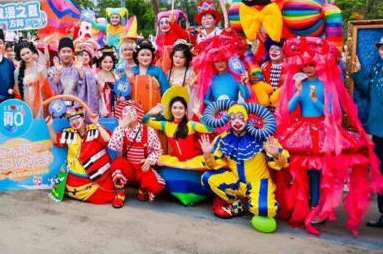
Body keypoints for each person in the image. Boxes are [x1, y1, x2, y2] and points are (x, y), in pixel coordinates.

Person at [276, 37, 383, 235]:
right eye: (305, 65)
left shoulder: (326, 85)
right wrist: (298, 94)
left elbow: (330, 112)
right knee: (303, 172)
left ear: (318, 66)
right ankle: (310, 203)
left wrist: (316, 99)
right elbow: (289, 109)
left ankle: (317, 206)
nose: (308, 69)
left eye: (311, 65)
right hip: (302, 130)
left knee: (318, 172)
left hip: (321, 130)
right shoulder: (300, 84)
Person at [200, 101, 288, 233]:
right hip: (236, 182)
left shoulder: (261, 138)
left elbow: (282, 164)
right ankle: (237, 204)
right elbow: (214, 165)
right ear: (228, 120)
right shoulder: (223, 138)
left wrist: (276, 155)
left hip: (258, 183)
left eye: (241, 118)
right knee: (207, 178)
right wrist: (207, 155)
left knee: (264, 210)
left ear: (247, 119)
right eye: (233, 118)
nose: (237, 121)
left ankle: (261, 201)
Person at [46, 104, 126, 207]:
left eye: (76, 118)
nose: (74, 122)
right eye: (71, 120)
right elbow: (56, 140)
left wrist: (96, 123)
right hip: (74, 177)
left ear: (83, 117)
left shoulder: (94, 129)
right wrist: (50, 125)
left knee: (107, 192)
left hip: (95, 176)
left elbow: (107, 139)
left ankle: (119, 193)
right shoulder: (68, 133)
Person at [144, 87, 212, 205]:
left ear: (185, 110)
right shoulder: (166, 125)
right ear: (171, 110)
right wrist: (150, 113)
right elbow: (144, 122)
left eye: (181, 108)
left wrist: (198, 114)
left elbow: (210, 129)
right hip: (177, 161)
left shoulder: (191, 125)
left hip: (194, 161)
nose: (177, 110)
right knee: (159, 168)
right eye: (174, 107)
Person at [352, 35, 383, 228]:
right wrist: (358, 73)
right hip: (379, 129)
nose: (382, 52)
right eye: (381, 48)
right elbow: (369, 89)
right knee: (380, 171)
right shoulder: (378, 68)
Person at [107, 101, 165, 204]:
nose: (129, 113)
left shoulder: (149, 131)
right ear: (121, 115)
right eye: (125, 111)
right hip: (127, 169)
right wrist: (121, 127)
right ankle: (119, 193)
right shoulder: (120, 130)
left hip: (142, 169)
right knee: (117, 163)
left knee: (157, 186)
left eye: (132, 110)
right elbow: (113, 149)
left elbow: (158, 150)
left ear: (138, 114)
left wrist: (149, 160)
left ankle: (142, 188)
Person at [193, 35, 251, 116]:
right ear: (212, 63)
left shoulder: (235, 77)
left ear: (228, 60)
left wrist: (244, 84)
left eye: (223, 60)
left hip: (234, 115)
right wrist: (217, 107)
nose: (220, 64)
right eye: (217, 61)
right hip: (218, 117)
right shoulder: (212, 79)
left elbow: (247, 96)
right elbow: (206, 100)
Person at [48, 37, 99, 115]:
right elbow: (51, 89)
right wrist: (57, 73)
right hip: (58, 109)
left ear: (73, 53)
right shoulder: (52, 70)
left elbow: (90, 84)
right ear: (59, 53)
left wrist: (81, 71)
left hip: (76, 110)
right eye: (63, 51)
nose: (66, 54)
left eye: (69, 51)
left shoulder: (79, 68)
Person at [128, 40, 169, 115]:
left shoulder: (158, 71)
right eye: (142, 55)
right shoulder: (131, 71)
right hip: (133, 112)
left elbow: (165, 91)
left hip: (154, 112)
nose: (145, 58)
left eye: (148, 55)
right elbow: (124, 92)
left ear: (152, 56)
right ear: (137, 56)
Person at [15, 41, 52, 119]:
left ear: (32, 51)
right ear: (20, 56)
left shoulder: (41, 68)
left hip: (40, 103)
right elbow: (17, 92)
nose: (26, 56)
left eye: (28, 52)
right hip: (25, 104)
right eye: (23, 54)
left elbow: (47, 91)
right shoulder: (17, 72)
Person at [261, 40, 286, 108]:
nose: (274, 51)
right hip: (267, 105)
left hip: (283, 104)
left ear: (283, 52)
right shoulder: (264, 66)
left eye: (277, 49)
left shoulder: (289, 66)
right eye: (271, 49)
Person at [94, 50, 118, 118]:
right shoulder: (95, 77)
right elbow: (93, 96)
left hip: (114, 106)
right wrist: (100, 87)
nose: (108, 64)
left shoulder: (115, 76)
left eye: (110, 62)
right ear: (100, 63)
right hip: (102, 107)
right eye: (105, 62)